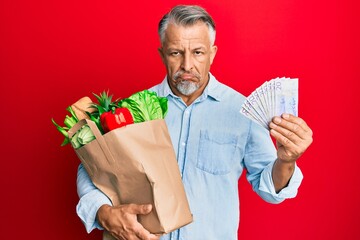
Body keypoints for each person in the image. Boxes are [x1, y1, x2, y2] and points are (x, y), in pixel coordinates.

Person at [76, 5, 313, 240]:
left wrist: (286, 161)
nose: (187, 65)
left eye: (198, 52)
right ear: (162, 54)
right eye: (176, 53)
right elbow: (94, 168)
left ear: (212, 53)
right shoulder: (134, 108)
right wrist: (102, 212)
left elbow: (270, 190)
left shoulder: (243, 112)